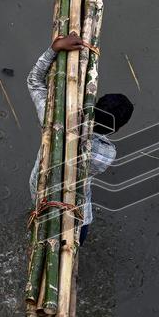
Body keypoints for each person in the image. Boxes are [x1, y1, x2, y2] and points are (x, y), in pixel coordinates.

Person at [27, 35, 134, 243]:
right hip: (75, 213)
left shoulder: (53, 118)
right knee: (74, 243)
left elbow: (34, 81)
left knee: (40, 226)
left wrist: (54, 49)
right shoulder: (107, 154)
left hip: (40, 192)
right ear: (117, 129)